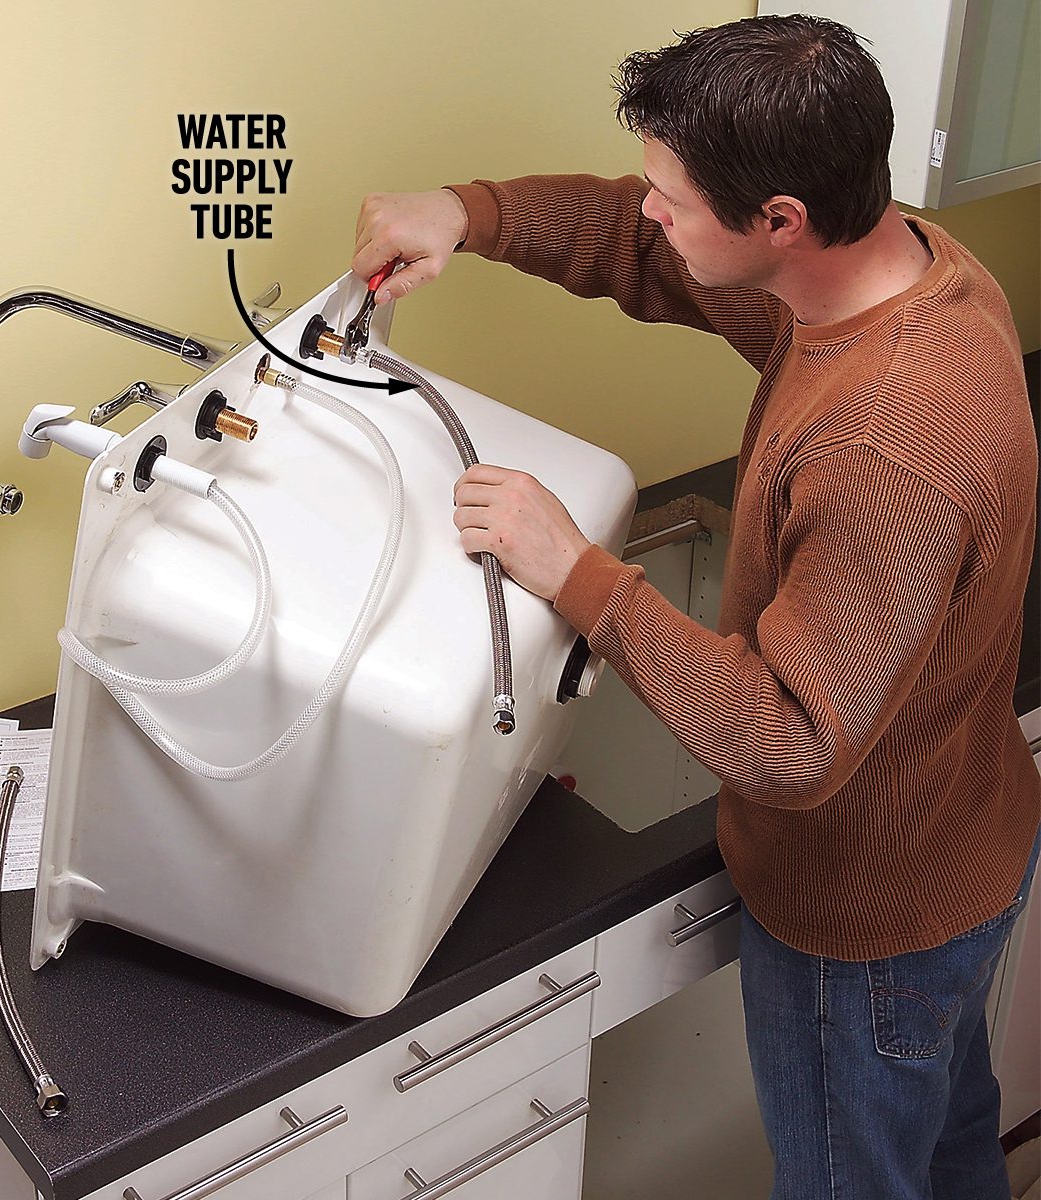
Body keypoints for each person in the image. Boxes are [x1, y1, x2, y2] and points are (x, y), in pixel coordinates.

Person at [352, 14, 1040, 1200]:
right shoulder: (898, 268)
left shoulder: (885, 441)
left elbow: (789, 742)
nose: (649, 208)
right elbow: (635, 244)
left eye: (673, 192)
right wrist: (470, 212)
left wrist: (574, 569)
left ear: (779, 219)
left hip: (868, 932)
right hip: (960, 852)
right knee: (954, 1161)